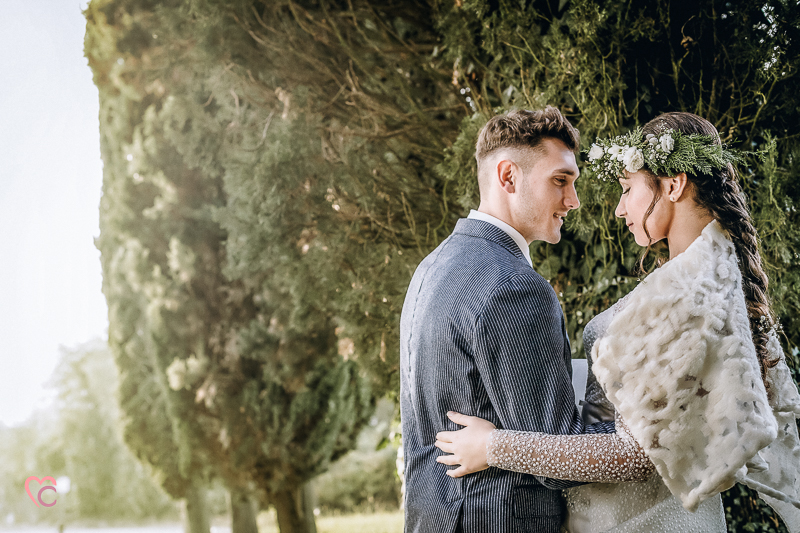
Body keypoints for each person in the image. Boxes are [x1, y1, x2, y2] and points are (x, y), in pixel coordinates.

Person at [434, 112, 800, 532]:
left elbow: (637, 453)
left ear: (674, 184)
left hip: (646, 521)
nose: (618, 208)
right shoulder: (707, 285)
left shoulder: (693, 300)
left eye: (627, 189)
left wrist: (495, 446)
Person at [399, 107, 615, 533]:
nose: (573, 201)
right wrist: (649, 420)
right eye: (560, 181)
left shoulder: (429, 268)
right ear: (508, 176)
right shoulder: (515, 286)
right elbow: (558, 456)